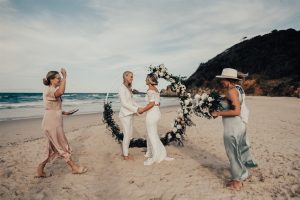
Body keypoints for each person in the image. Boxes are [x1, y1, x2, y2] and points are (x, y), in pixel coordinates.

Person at [211, 68, 257, 190]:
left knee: (232, 152)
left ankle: (237, 180)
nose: (221, 81)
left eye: (222, 79)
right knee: (239, 148)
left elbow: (236, 111)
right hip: (240, 124)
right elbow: (234, 104)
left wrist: (218, 113)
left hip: (232, 126)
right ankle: (243, 172)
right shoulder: (238, 89)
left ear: (228, 80)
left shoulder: (231, 91)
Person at [36, 68, 87, 177]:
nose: (60, 80)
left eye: (60, 79)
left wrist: (64, 112)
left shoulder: (52, 90)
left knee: (51, 147)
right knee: (61, 145)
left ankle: (40, 171)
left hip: (53, 120)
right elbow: (62, 91)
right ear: (51, 80)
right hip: (52, 123)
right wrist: (65, 77)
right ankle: (74, 168)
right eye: (58, 79)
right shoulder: (50, 91)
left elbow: (52, 107)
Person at [138, 73, 174, 166]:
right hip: (157, 112)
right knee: (153, 134)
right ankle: (152, 153)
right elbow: (158, 103)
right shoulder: (156, 90)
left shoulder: (150, 90)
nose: (145, 80)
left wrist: (142, 110)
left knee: (152, 135)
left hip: (152, 113)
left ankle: (156, 156)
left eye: (146, 79)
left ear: (150, 80)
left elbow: (151, 103)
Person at [118, 71, 142, 160]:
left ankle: (125, 152)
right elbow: (124, 103)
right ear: (125, 77)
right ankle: (125, 155)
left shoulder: (128, 88)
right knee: (127, 135)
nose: (132, 78)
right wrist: (136, 109)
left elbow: (132, 101)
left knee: (130, 135)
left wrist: (140, 108)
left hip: (130, 114)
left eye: (132, 76)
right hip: (124, 115)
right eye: (131, 76)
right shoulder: (121, 88)